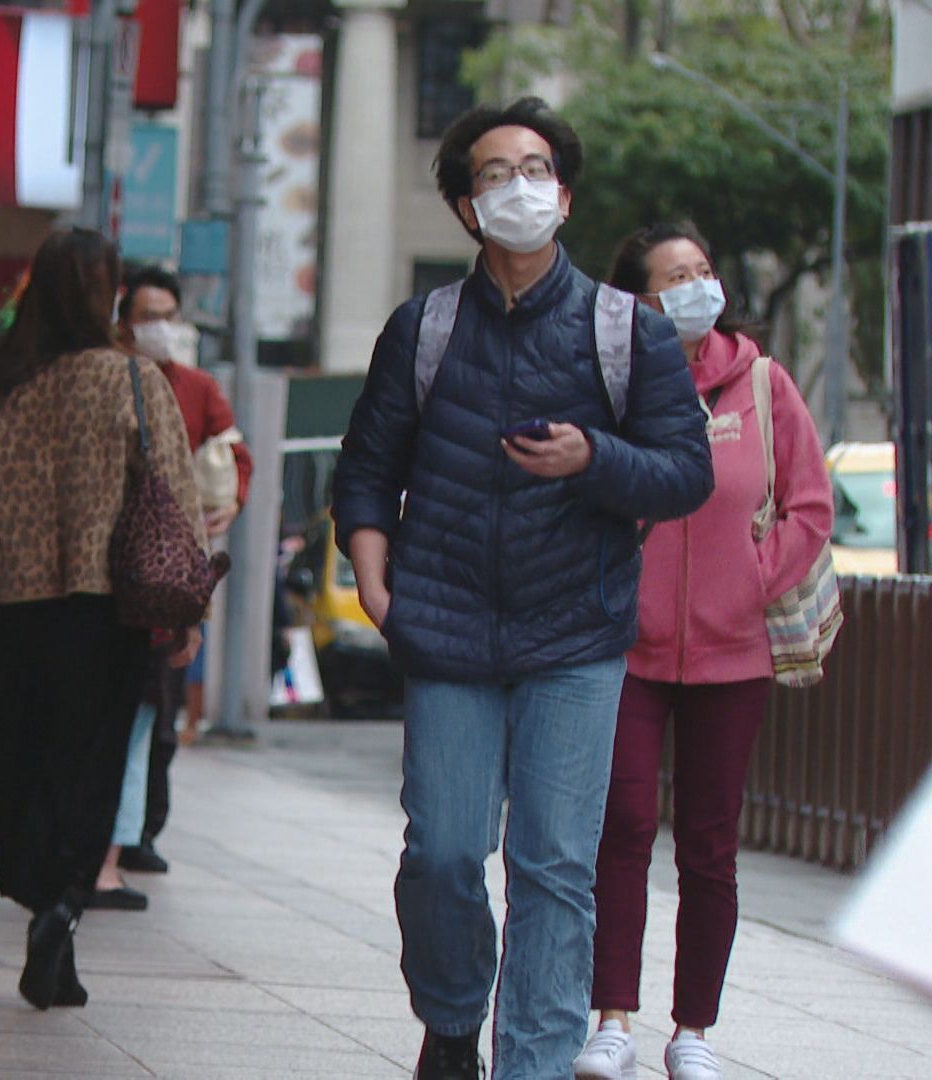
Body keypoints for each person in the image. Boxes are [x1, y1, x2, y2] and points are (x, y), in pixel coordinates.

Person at [331, 97, 714, 1080]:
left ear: (567, 195)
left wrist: (593, 458)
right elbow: (368, 468)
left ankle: (533, 1068)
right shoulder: (423, 329)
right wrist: (378, 589)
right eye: (494, 173)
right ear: (465, 206)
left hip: (575, 635)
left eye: (536, 169)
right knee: (447, 855)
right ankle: (454, 1017)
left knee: (554, 868)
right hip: (445, 627)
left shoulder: (627, 331)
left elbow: (684, 474)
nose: (518, 188)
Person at [0, 228, 204, 1010]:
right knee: (92, 762)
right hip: (109, 613)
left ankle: (43, 903)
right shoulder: (136, 380)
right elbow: (175, 497)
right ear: (105, 294)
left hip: (15, 608)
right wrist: (187, 609)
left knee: (22, 763)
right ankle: (66, 905)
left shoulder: (1, 387)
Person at [572, 223, 832, 1080]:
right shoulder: (618, 383)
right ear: (640, 301)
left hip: (735, 652)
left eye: (703, 271)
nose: (695, 286)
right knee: (625, 824)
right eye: (673, 277)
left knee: (710, 844)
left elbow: (809, 506)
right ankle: (612, 1019)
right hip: (629, 646)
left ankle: (694, 1030)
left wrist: (751, 579)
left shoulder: (764, 383)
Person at [95, 265, 254, 900]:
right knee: (127, 713)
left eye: (167, 314)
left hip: (169, 567)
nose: (158, 327)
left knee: (155, 713)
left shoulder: (196, 387)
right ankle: (108, 841)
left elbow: (235, 454)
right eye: (145, 315)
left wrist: (232, 501)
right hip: (109, 564)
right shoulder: (106, 380)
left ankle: (136, 834)